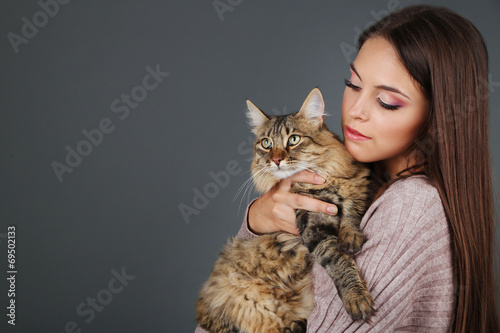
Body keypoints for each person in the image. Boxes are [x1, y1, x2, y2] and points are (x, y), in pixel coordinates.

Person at [195, 5, 499, 332]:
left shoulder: (409, 207)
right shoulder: (371, 181)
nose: (355, 110)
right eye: (353, 84)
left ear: (436, 118)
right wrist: (259, 220)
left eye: (387, 102)